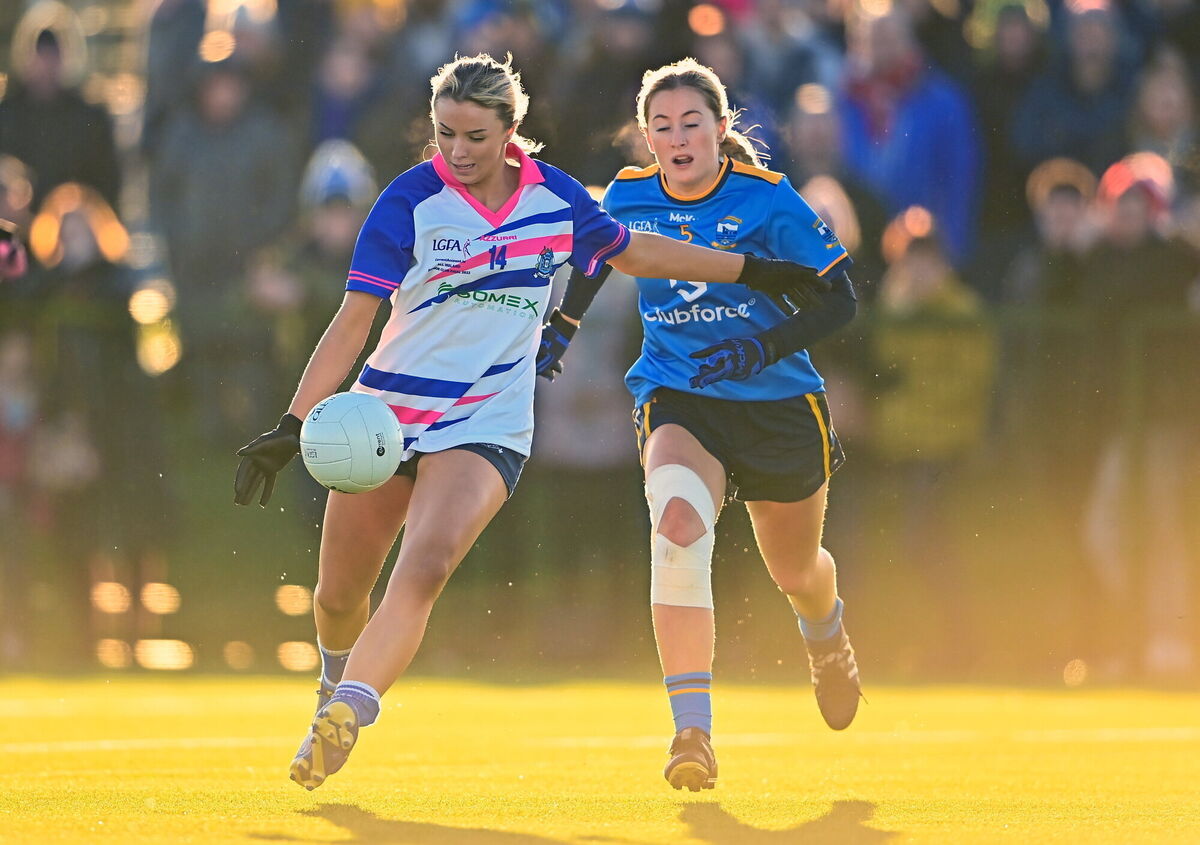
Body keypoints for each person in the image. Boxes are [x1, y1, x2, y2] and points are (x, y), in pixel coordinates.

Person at [231, 53, 830, 791]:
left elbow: (633, 252)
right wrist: (293, 425)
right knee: (337, 596)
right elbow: (353, 321)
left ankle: (349, 711)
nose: (457, 151)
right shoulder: (409, 201)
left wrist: (753, 270)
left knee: (426, 563)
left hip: (485, 426)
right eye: (446, 133)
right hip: (384, 421)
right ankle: (333, 679)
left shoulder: (555, 198)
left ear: (510, 130)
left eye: (475, 136)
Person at [536, 58, 861, 792]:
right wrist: (566, 321)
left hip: (778, 404)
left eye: (691, 123)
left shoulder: (769, 199)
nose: (678, 138)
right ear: (646, 137)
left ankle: (826, 632)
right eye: (663, 126)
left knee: (796, 572)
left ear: (720, 129)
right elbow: (600, 254)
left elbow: (840, 299)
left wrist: (761, 347)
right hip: (680, 393)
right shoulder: (629, 194)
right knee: (678, 527)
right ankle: (692, 734)